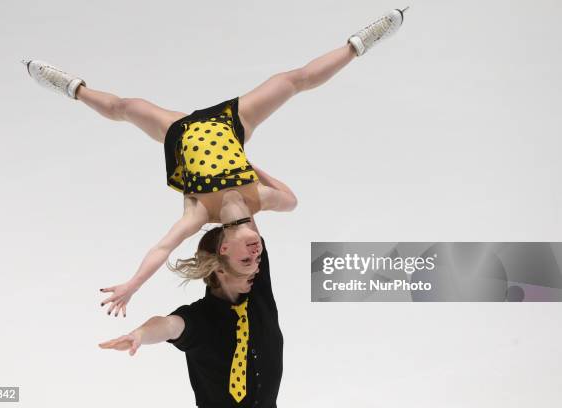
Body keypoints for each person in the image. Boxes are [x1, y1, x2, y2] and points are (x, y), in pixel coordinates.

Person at [21, 8, 409, 317]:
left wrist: (133, 285)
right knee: (293, 80)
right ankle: (362, 42)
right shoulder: (259, 199)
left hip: (181, 131)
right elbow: (292, 201)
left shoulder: (198, 214)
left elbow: (161, 249)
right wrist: (254, 169)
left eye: (245, 257)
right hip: (230, 123)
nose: (255, 253)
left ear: (223, 251)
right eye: (256, 258)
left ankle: (72, 87)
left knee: (125, 107)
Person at [99, 232, 283, 408]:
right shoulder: (199, 318)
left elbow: (245, 221)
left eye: (257, 259)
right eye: (245, 261)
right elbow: (168, 325)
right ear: (219, 268)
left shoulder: (259, 290)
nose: (256, 267)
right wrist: (139, 334)